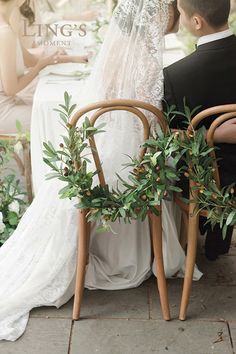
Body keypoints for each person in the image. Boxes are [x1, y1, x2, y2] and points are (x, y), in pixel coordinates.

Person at [0, 0, 202, 341]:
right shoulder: (150, 58)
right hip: (132, 170)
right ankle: (163, 249)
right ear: (158, 14)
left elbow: (103, 108)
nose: (175, 14)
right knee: (167, 162)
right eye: (172, 9)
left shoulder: (117, 47)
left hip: (101, 165)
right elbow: (152, 121)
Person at [163, 0, 236, 260]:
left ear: (196, 22)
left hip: (205, 183)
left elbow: (171, 138)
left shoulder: (175, 75)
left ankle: (208, 233)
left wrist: (210, 135)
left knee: (189, 163)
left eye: (181, 14)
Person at [0, 0, 88, 134]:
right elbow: (11, 89)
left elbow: (30, 60)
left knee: (60, 107)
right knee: (65, 118)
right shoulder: (6, 33)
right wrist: (39, 67)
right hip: (4, 111)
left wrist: (72, 59)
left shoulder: (7, 28)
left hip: (11, 102)